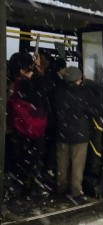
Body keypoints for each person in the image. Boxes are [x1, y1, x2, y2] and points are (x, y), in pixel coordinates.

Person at [54, 66, 100, 202]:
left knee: (62, 163)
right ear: (79, 78)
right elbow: (94, 110)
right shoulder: (84, 92)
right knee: (77, 165)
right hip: (80, 135)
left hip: (62, 133)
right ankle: (76, 192)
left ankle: (61, 188)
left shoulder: (58, 91)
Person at [7, 52, 49, 199]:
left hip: (21, 130)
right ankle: (33, 188)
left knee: (21, 161)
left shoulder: (17, 84)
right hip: (38, 130)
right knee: (34, 161)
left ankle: (22, 189)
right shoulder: (40, 83)